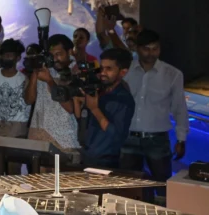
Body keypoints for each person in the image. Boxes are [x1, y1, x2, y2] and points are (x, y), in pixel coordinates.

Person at [121, 30, 188, 194]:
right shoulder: (126, 70)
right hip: (127, 137)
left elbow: (179, 107)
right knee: (127, 186)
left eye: (155, 48)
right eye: (146, 49)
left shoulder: (172, 74)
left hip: (157, 139)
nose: (151, 53)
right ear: (137, 48)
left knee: (163, 187)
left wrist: (181, 138)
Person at [74, 48, 135, 168]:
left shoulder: (124, 99)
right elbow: (82, 121)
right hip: (87, 156)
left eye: (109, 69)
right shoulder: (98, 91)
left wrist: (95, 109)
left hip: (106, 162)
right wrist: (77, 100)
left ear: (123, 72)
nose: (103, 73)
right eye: (101, 68)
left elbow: (116, 136)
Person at [25, 34, 80, 155]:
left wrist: (50, 81)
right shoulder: (46, 69)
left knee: (61, 168)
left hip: (63, 140)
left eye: (58, 54)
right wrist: (35, 71)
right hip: (38, 136)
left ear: (69, 52)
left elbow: (70, 108)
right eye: (51, 55)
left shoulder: (77, 72)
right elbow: (29, 100)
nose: (55, 59)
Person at [0, 39, 30, 138]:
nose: (6, 57)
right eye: (4, 54)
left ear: (18, 58)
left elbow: (25, 108)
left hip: (16, 133)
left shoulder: (24, 80)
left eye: (10, 55)